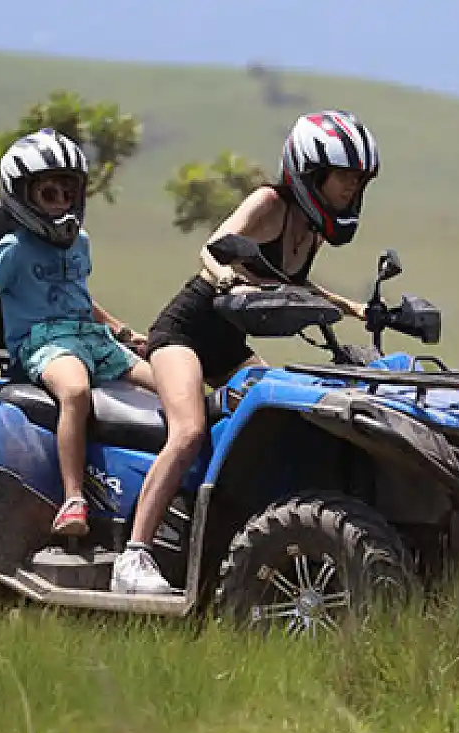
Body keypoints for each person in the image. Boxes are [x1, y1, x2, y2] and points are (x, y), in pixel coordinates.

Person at [110, 109, 381, 595]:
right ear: (310, 171)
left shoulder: (313, 226)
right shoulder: (270, 204)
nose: (351, 190)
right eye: (344, 177)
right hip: (184, 333)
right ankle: (134, 557)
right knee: (189, 430)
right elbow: (213, 249)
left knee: (272, 418)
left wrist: (353, 308)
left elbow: (295, 282)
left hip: (228, 344)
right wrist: (229, 279)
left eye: (358, 181)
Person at [0, 127, 154, 538]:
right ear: (21, 196)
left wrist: (119, 329)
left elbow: (78, 296)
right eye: (49, 194)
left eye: (69, 193)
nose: (62, 203)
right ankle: (74, 499)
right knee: (76, 393)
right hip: (45, 343)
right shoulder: (14, 249)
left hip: (91, 338)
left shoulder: (79, 243)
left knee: (173, 384)